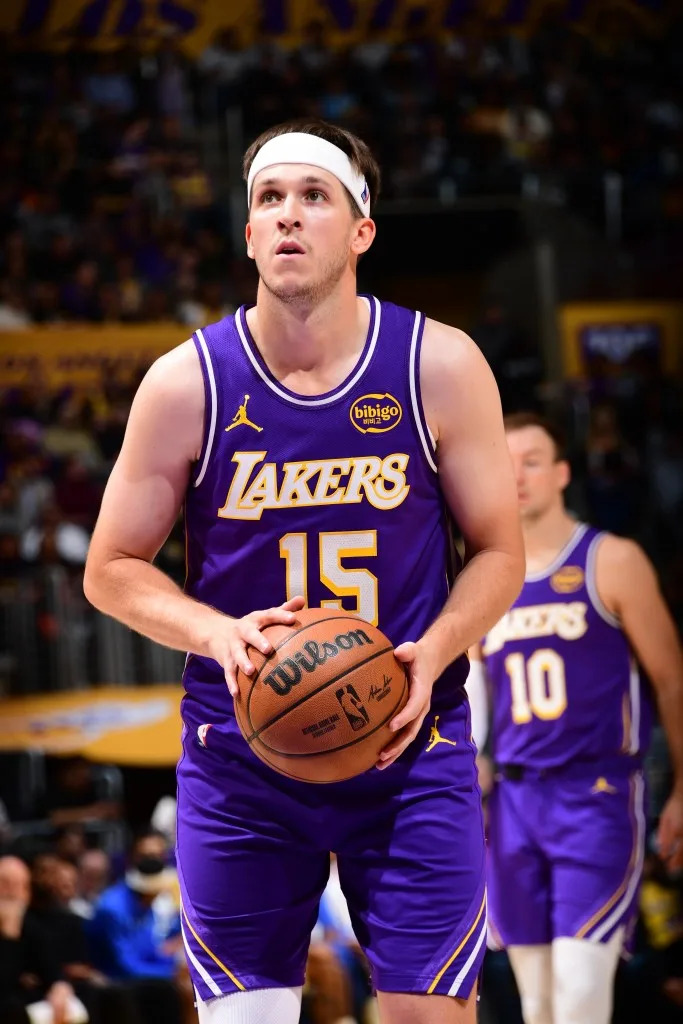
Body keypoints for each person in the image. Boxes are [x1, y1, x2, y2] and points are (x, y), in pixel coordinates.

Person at [83, 118, 524, 1024]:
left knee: (431, 1017)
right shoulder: (185, 381)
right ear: (247, 236)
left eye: (312, 196)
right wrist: (214, 633)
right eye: (268, 200)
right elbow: (110, 568)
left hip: (406, 740)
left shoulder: (438, 364)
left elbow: (499, 552)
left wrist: (435, 651)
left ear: (360, 230)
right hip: (243, 752)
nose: (287, 216)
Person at [468, 411, 683, 1024]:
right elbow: (474, 691)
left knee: (581, 995)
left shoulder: (611, 559)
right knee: (535, 1002)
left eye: (531, 460)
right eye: (502, 463)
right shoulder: (483, 579)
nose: (516, 475)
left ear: (562, 472)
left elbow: (671, 678)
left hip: (597, 792)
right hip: (511, 800)